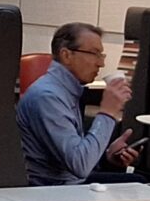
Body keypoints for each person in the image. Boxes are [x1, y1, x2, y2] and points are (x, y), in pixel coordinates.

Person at [19, 22, 141, 186]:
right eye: (94, 53)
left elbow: (77, 157)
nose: (101, 63)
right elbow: (80, 165)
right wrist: (107, 113)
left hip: (67, 183)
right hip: (49, 189)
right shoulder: (47, 97)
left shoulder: (66, 90)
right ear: (66, 55)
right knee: (138, 186)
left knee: (139, 185)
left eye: (101, 55)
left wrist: (107, 158)